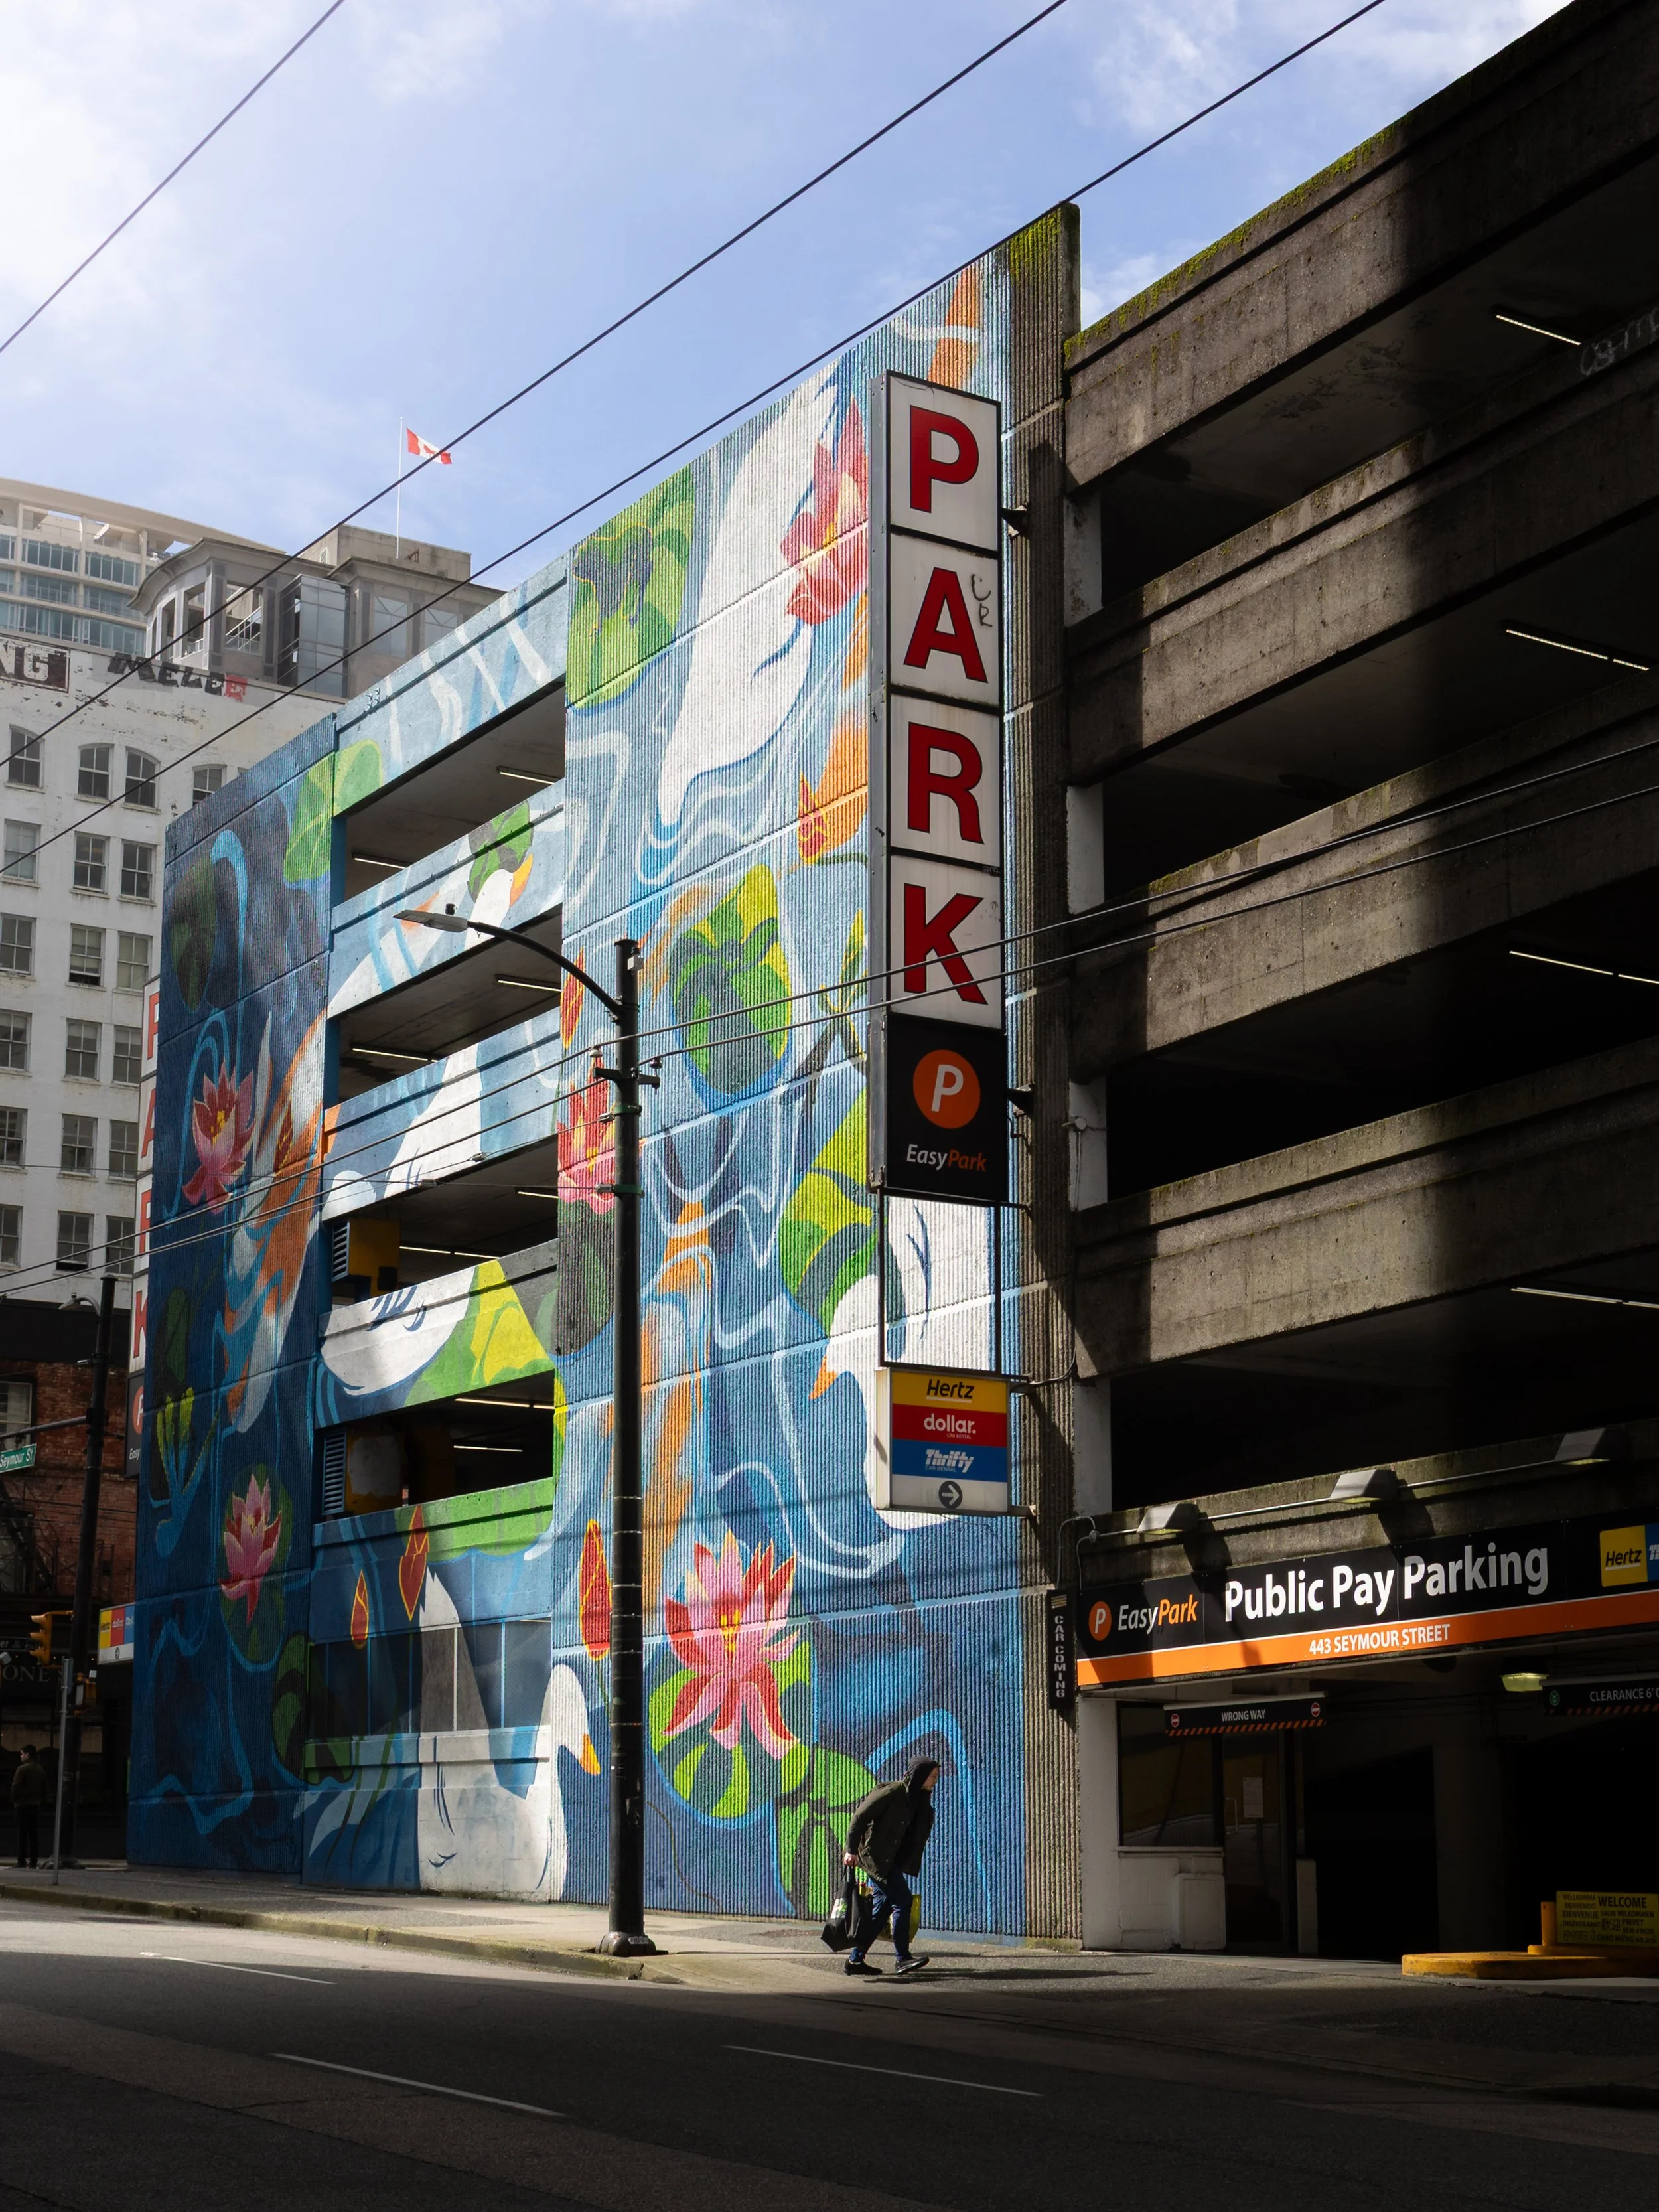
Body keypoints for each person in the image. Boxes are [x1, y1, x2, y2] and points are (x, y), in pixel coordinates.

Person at [841, 1756, 940, 1978]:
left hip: (889, 1859)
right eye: (933, 1777)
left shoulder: (918, 1798)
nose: (935, 1781)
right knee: (903, 1901)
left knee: (882, 1909)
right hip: (874, 1858)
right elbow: (860, 1817)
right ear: (921, 1775)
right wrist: (851, 1850)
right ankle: (902, 1958)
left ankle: (855, 1960)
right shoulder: (892, 1792)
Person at [11, 1745, 45, 1869]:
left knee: (22, 1833)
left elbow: (16, 1787)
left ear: (27, 1755)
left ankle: (21, 1861)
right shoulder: (40, 1770)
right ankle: (34, 1861)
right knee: (34, 1834)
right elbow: (45, 1788)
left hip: (22, 1805)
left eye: (22, 1754)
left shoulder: (22, 1769)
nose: (21, 1756)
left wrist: (14, 1799)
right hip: (35, 1805)